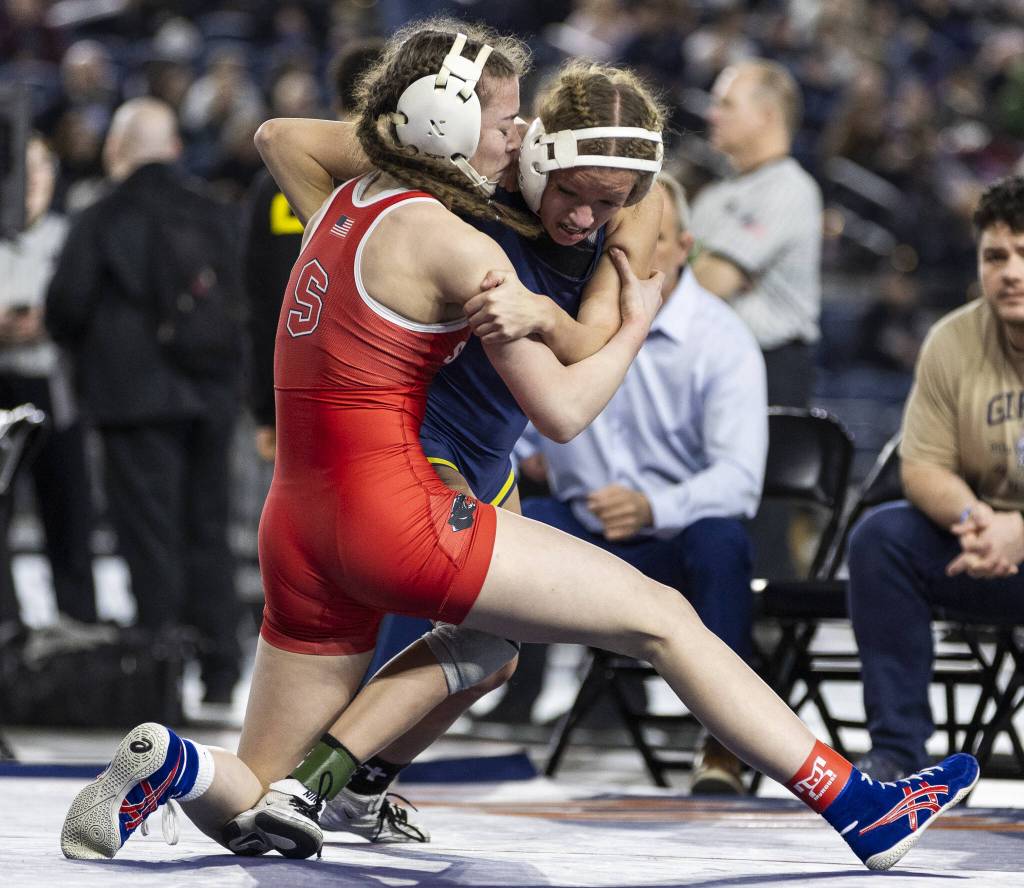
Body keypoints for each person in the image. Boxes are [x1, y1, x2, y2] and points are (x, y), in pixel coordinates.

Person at [60, 21, 978, 873]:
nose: (517, 138)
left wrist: (555, 310)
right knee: (662, 618)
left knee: (256, 797)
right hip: (403, 503)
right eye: (504, 122)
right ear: (448, 122)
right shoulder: (466, 246)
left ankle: (179, 765)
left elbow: (290, 140)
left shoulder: (350, 198)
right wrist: (629, 324)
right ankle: (858, 805)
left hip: (297, 521)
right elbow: (568, 411)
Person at [242, 53, 666, 843]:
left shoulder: (636, 203)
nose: (582, 217)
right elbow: (281, 138)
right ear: (530, 148)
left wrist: (538, 314)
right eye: (569, 191)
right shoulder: (473, 165)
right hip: (415, 435)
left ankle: (357, 784)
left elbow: (585, 346)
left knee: (491, 657)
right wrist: (341, 236)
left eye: (606, 202)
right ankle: (316, 782)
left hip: (492, 447)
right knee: (451, 633)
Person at [518, 172, 767, 794]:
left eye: (645, 232)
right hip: (579, 530)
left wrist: (653, 506)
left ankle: (726, 745)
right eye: (618, 230)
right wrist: (522, 457)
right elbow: (515, 422)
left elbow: (740, 482)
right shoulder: (576, 316)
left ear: (682, 246)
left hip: (674, 540)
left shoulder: (723, 339)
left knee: (722, 540)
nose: (623, 245)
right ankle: (405, 724)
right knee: (500, 527)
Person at [46, 98, 245, 704]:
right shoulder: (216, 213)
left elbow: (66, 306)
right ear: (176, 149)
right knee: (208, 529)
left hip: (132, 402)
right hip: (211, 397)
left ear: (116, 150)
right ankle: (220, 668)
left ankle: (162, 672)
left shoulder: (101, 216)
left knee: (149, 535)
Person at [847, 174, 1024, 783]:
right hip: (979, 545)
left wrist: (1019, 531)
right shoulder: (952, 340)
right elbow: (922, 466)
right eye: (996, 256)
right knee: (882, 538)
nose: (1010, 272)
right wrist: (978, 523)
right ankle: (898, 750)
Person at [0, 134, 97, 627]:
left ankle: (78, 627)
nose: (32, 178)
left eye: (41, 166)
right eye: (22, 166)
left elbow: (83, 310)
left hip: (54, 388)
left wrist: (47, 321)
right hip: (3, 390)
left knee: (68, 513)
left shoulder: (69, 234)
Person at [689, 59, 822, 409]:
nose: (712, 114)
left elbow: (711, 281)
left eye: (726, 104)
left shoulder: (790, 188)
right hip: (712, 359)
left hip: (772, 368)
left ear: (766, 115)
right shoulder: (713, 196)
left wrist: (697, 268)